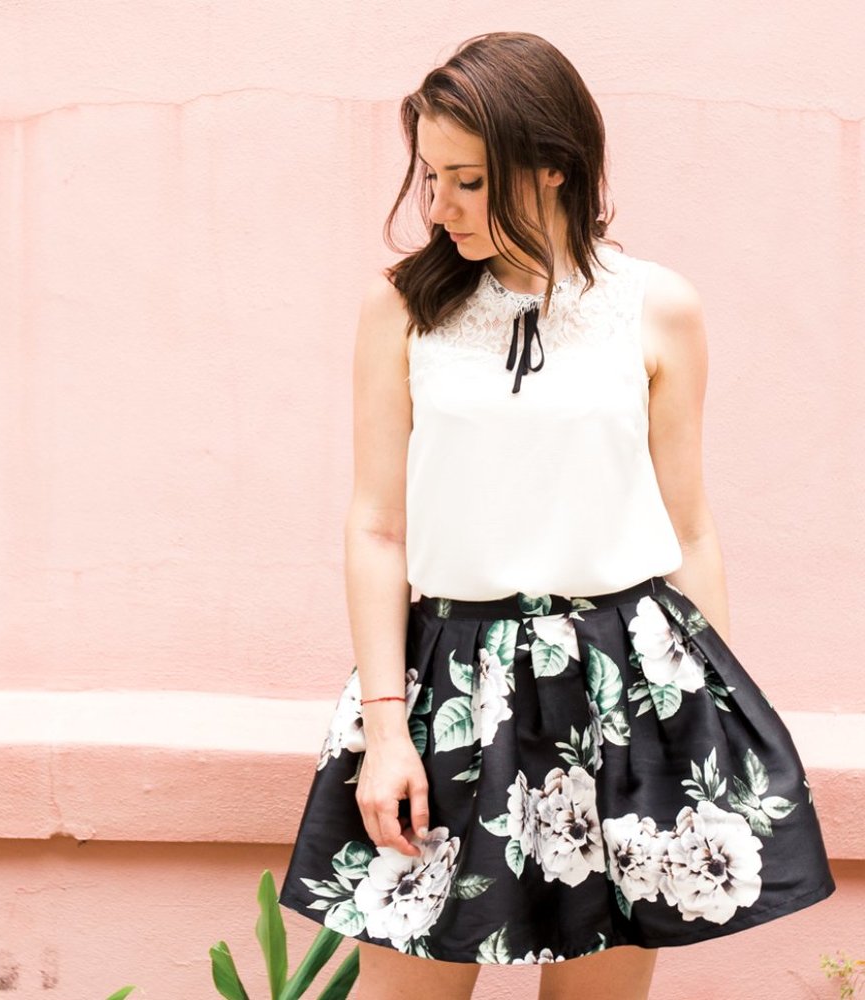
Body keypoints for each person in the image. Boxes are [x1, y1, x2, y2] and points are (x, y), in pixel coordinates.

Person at [277, 30, 835, 1000]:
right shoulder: (403, 308)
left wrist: (700, 724)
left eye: (466, 181)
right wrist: (384, 730)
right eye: (430, 179)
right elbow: (376, 526)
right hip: (448, 680)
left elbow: (689, 525)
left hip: (624, 682)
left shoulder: (656, 307)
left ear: (552, 169)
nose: (437, 207)